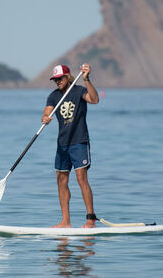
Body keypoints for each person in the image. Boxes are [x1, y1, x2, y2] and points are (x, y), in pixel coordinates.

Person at [41, 63, 99, 228]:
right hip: (62, 144)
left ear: (67, 77)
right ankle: (65, 221)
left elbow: (94, 100)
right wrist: (45, 118)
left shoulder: (79, 91)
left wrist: (87, 79)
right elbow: (46, 112)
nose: (57, 82)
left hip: (79, 141)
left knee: (81, 178)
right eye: (55, 80)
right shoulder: (53, 96)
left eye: (60, 79)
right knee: (61, 180)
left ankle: (90, 219)